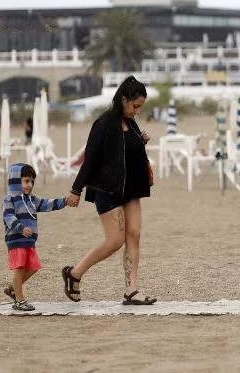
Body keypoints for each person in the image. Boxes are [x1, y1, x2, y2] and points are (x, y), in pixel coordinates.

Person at [62, 75, 157, 306]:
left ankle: (131, 290)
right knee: (115, 240)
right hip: (107, 189)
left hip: (132, 188)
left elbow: (125, 152)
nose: (137, 111)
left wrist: (140, 141)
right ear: (124, 99)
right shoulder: (103, 124)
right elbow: (90, 159)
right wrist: (76, 189)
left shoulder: (132, 123)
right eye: (135, 106)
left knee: (134, 235)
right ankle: (74, 273)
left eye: (140, 107)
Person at [2, 163, 71, 311]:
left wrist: (64, 201)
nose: (30, 185)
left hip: (29, 241)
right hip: (16, 240)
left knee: (33, 267)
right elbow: (8, 217)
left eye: (32, 181)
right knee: (19, 269)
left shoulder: (32, 199)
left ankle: (13, 288)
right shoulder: (9, 199)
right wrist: (20, 228)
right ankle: (19, 300)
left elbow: (47, 204)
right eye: (26, 181)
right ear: (15, 181)